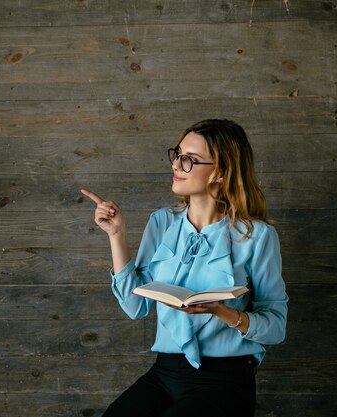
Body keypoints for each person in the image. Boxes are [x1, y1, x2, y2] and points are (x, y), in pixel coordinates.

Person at [81, 119, 288, 417]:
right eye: (177, 154)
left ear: (220, 171)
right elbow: (135, 307)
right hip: (165, 371)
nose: (177, 165)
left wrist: (222, 312)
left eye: (189, 160)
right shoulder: (162, 221)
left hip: (225, 378)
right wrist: (117, 235)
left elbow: (276, 327)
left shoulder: (256, 236)